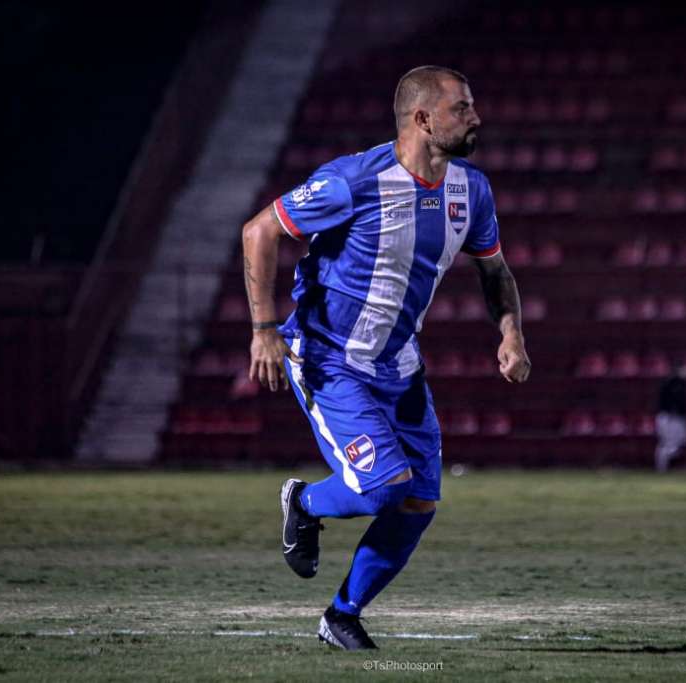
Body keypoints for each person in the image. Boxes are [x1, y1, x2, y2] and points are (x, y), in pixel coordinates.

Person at [240, 66, 531, 650]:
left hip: (399, 368)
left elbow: (494, 269)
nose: (475, 118)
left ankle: (342, 616)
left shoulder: (470, 189)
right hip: (329, 358)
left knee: (420, 499)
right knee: (381, 487)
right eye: (462, 108)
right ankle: (304, 499)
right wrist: (263, 330)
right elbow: (259, 231)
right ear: (424, 119)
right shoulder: (355, 180)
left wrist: (511, 333)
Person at [655, 364, 686, 472]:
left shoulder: (680, 384)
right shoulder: (672, 384)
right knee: (669, 444)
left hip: (676, 417)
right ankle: (662, 467)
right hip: (670, 418)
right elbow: (669, 402)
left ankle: (664, 465)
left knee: (682, 441)